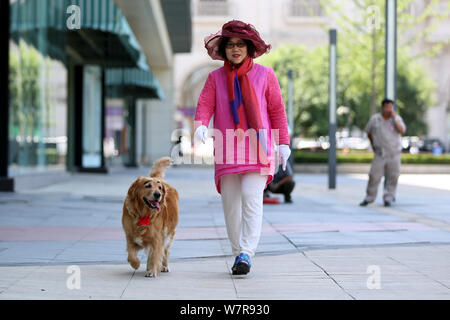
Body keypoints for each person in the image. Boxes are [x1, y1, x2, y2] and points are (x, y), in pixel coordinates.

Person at [194, 20, 291, 275]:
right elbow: (205, 104)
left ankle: (247, 252)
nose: (235, 49)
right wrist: (201, 124)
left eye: (240, 44)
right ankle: (238, 251)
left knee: (251, 198)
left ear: (249, 47)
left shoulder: (265, 75)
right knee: (230, 205)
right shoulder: (215, 78)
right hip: (227, 149)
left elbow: (276, 110)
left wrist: (283, 143)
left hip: (258, 149)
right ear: (224, 49)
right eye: (230, 45)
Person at [360, 98, 406, 207]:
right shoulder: (375, 119)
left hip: (394, 153)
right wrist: (373, 145)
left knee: (393, 176)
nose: (389, 109)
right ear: (382, 107)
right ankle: (369, 197)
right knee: (374, 176)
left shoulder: (397, 119)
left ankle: (388, 198)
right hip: (380, 153)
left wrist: (394, 119)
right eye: (387, 107)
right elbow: (368, 132)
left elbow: (402, 131)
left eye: (391, 107)